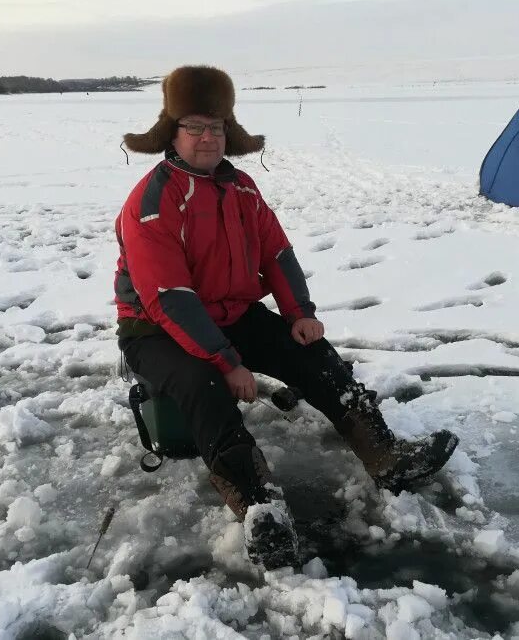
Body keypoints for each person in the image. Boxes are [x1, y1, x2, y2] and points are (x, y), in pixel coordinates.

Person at [114, 65, 458, 569]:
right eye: (195, 126)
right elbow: (170, 298)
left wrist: (299, 313)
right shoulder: (152, 202)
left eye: (216, 126)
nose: (208, 137)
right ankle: (258, 505)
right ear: (173, 130)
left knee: (312, 353)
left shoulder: (243, 189)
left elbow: (276, 253)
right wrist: (228, 362)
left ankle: (386, 456)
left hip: (229, 312)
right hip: (154, 327)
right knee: (204, 384)